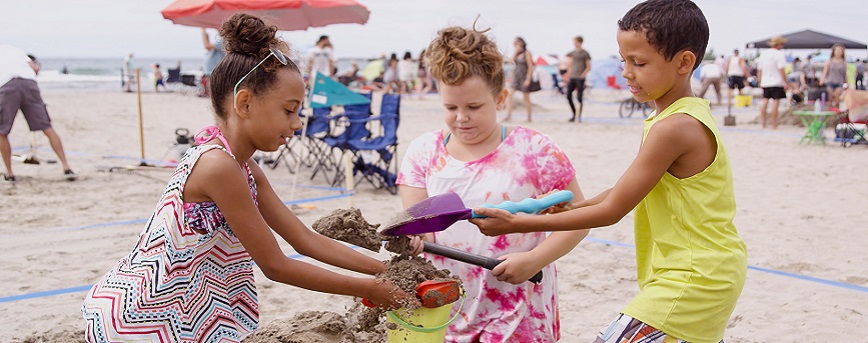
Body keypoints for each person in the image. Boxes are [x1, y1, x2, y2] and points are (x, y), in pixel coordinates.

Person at [81, 13, 414, 342]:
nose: (297, 123)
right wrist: (375, 289)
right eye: (289, 110)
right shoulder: (217, 166)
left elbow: (304, 240)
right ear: (244, 103)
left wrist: (385, 271)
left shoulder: (243, 167)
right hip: (147, 321)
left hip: (192, 313)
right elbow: (275, 265)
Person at [471, 1, 747, 342]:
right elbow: (620, 192)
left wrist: (519, 223)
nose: (627, 72)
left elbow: (614, 210)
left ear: (684, 62)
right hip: (704, 270)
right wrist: (569, 209)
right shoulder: (674, 118)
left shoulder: (675, 127)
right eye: (624, 59)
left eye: (640, 62)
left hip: (695, 276)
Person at [399, 23, 587, 341]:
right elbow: (419, 228)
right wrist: (412, 239)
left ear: (500, 98)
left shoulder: (536, 149)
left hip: (521, 310)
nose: (461, 117)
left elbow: (579, 219)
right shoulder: (423, 152)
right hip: (448, 308)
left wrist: (534, 259)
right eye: (450, 107)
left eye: (473, 107)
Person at [0, 47, 76, 182]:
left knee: (2, 131)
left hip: (8, 84)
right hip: (29, 83)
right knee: (47, 127)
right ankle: (66, 167)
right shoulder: (15, 50)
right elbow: (35, 69)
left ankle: (10, 173)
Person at [757, 36, 789, 129]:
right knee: (775, 103)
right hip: (777, 81)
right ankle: (773, 124)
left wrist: (760, 81)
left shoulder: (763, 54)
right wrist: (785, 82)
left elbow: (759, 70)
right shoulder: (779, 55)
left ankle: (763, 123)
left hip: (765, 81)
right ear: (778, 44)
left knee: (765, 101)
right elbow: (781, 70)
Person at [505, 37, 535, 122]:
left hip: (524, 76)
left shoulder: (527, 53)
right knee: (509, 94)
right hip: (516, 76)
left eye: (516, 43)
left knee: (526, 97)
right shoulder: (517, 53)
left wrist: (528, 79)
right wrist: (515, 51)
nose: (514, 45)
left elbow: (530, 67)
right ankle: (508, 115)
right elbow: (511, 61)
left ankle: (529, 117)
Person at [565, 36, 591, 122]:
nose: (574, 44)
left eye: (575, 42)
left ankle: (578, 116)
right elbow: (568, 61)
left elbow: (588, 66)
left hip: (580, 77)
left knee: (579, 97)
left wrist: (583, 74)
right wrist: (568, 73)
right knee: (568, 95)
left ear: (580, 42)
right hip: (572, 76)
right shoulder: (573, 53)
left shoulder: (585, 53)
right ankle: (574, 113)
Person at [820, 43, 848, 108]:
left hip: (839, 82)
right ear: (834, 52)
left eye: (840, 51)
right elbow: (825, 72)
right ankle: (830, 113)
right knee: (830, 99)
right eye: (837, 50)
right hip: (830, 82)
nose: (838, 52)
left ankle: (836, 113)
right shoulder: (829, 62)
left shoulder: (844, 63)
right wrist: (822, 80)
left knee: (837, 99)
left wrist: (847, 83)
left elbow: (845, 74)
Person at [201, 28, 225, 98]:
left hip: (214, 70)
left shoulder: (223, 40)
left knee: (212, 92)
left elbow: (207, 46)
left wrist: (203, 32)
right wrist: (206, 35)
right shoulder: (220, 40)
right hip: (211, 70)